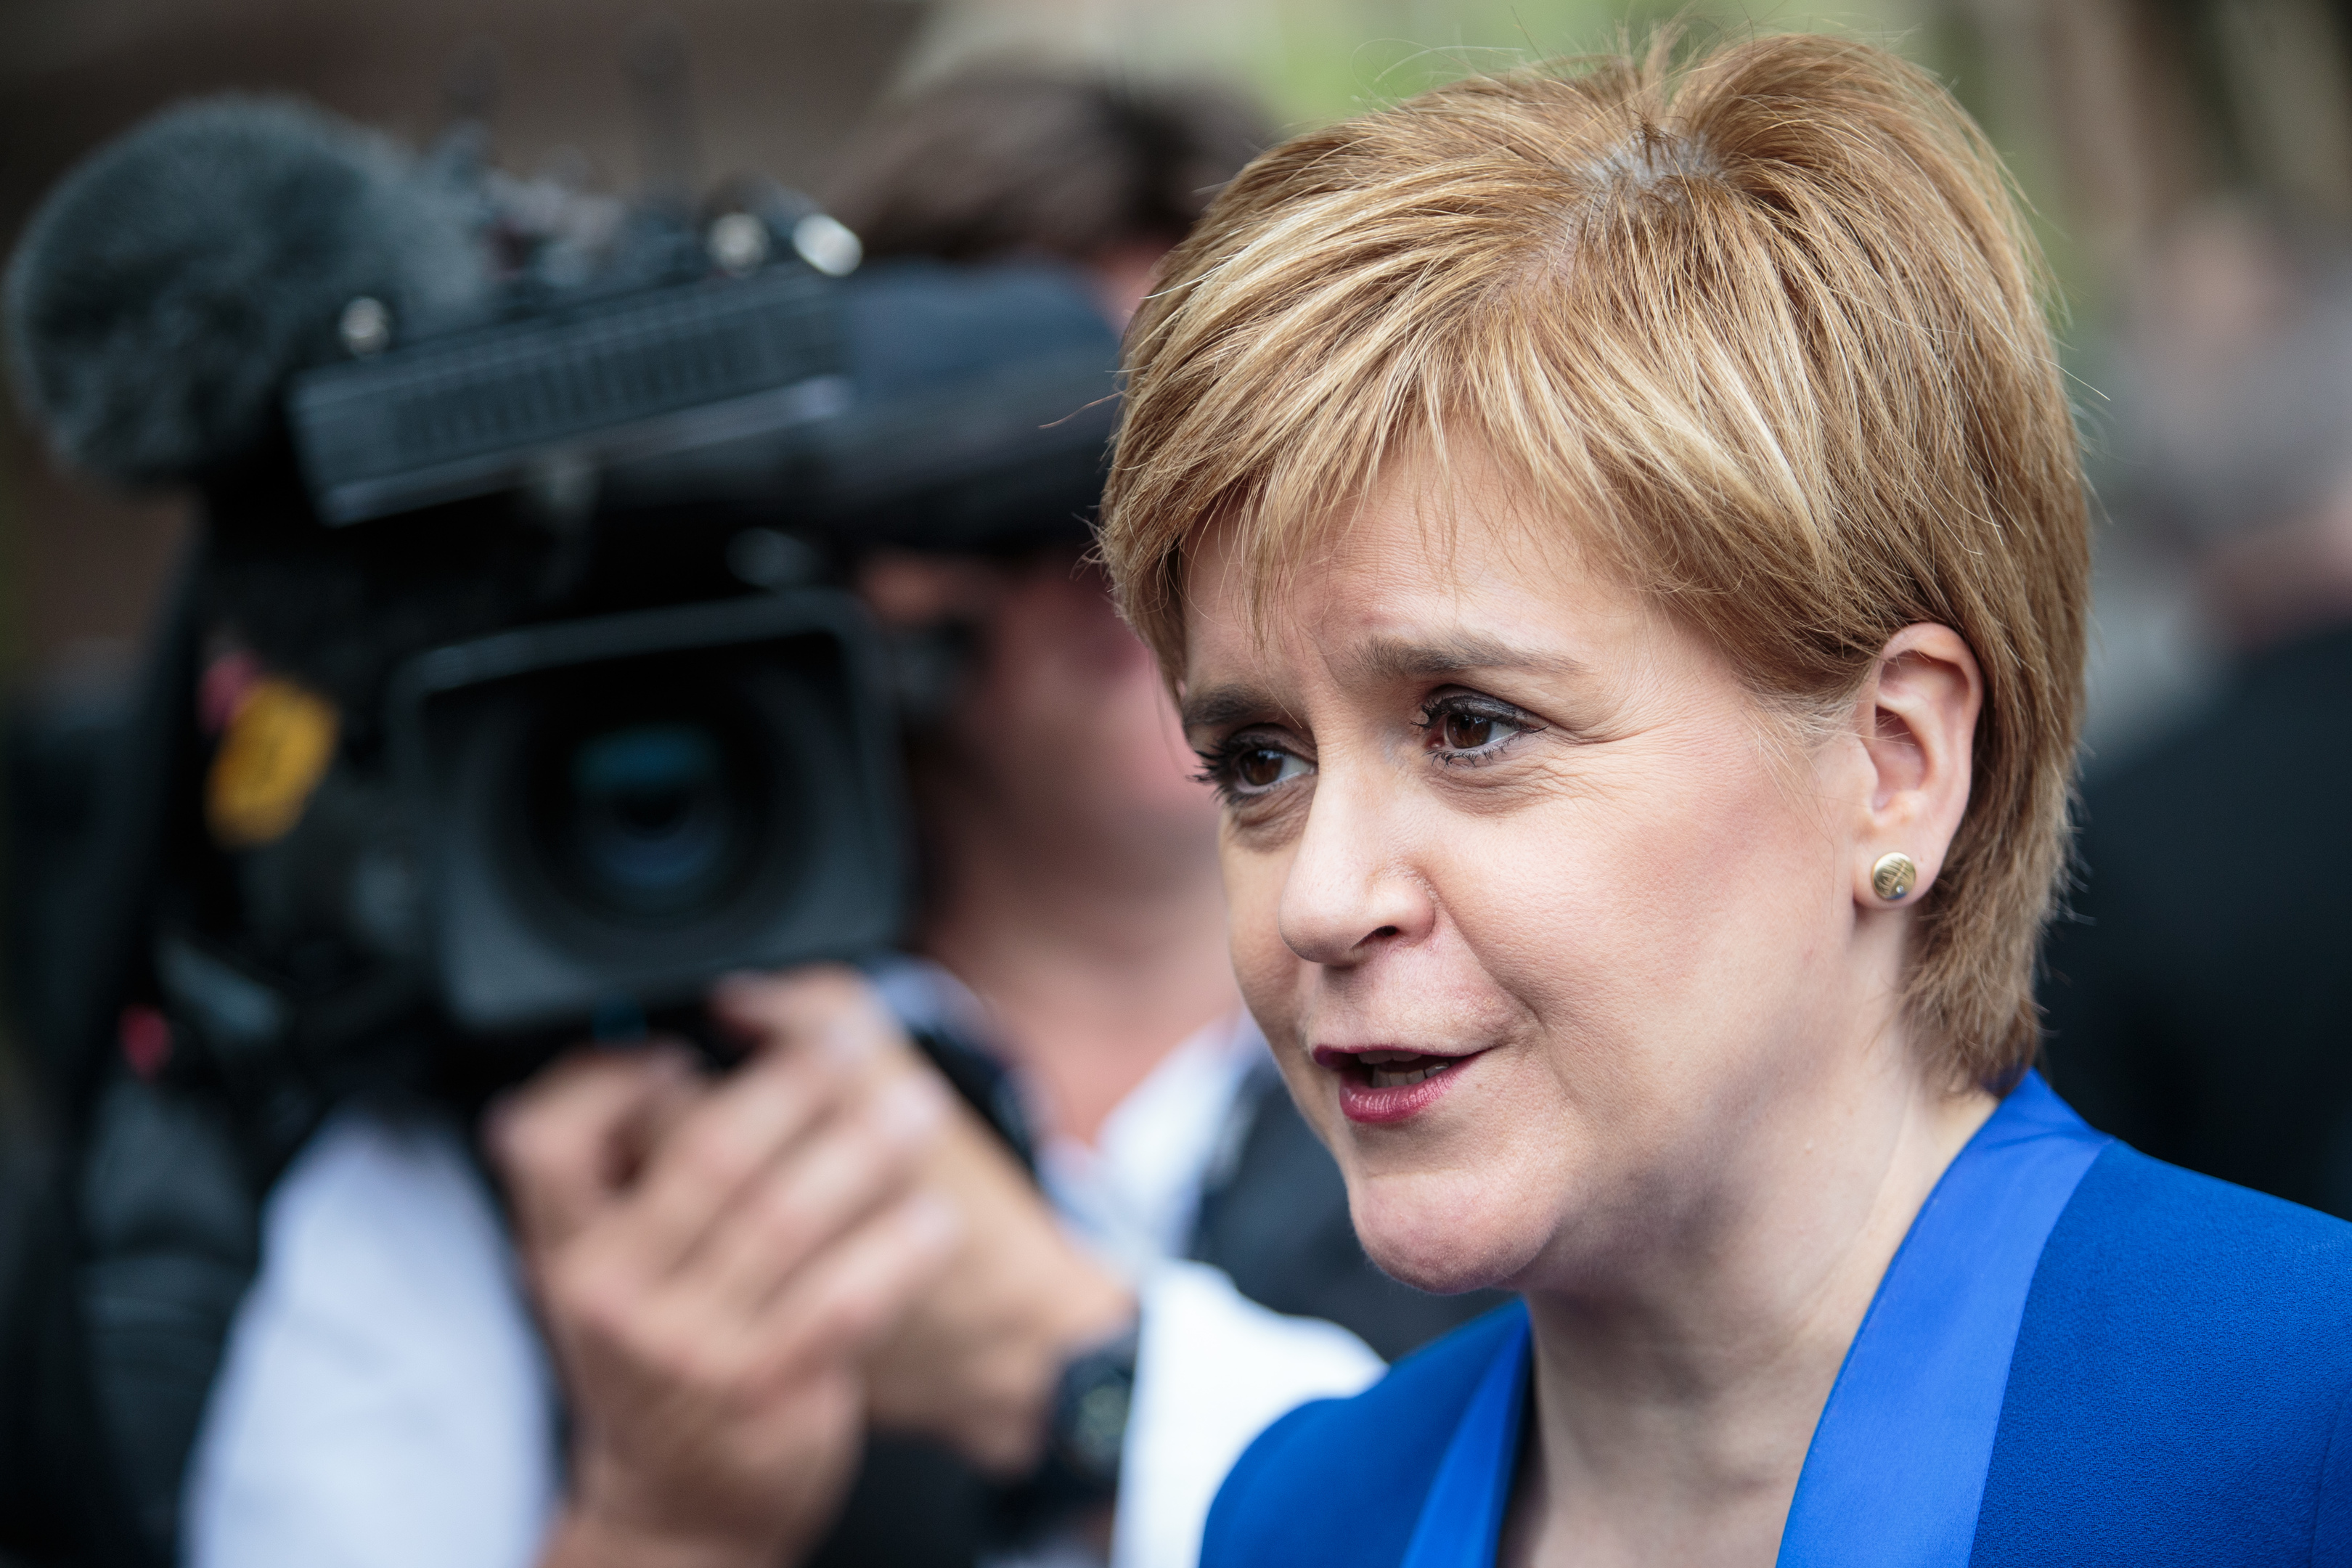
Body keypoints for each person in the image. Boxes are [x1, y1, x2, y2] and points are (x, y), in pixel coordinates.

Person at [183, 70, 1486, 1568]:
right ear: (865, 528)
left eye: (1236, 468)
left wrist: (1080, 1377)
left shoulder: (1540, 1058)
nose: (1145, 556)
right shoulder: (508, 1130)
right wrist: (664, 1520)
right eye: (1034, 472)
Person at [1095, 32, 2352, 1567]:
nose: (1319, 896)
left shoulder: (2297, 1422)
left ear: (1894, 762)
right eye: (1258, 764)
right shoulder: (1301, 1520)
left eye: (1471, 725)